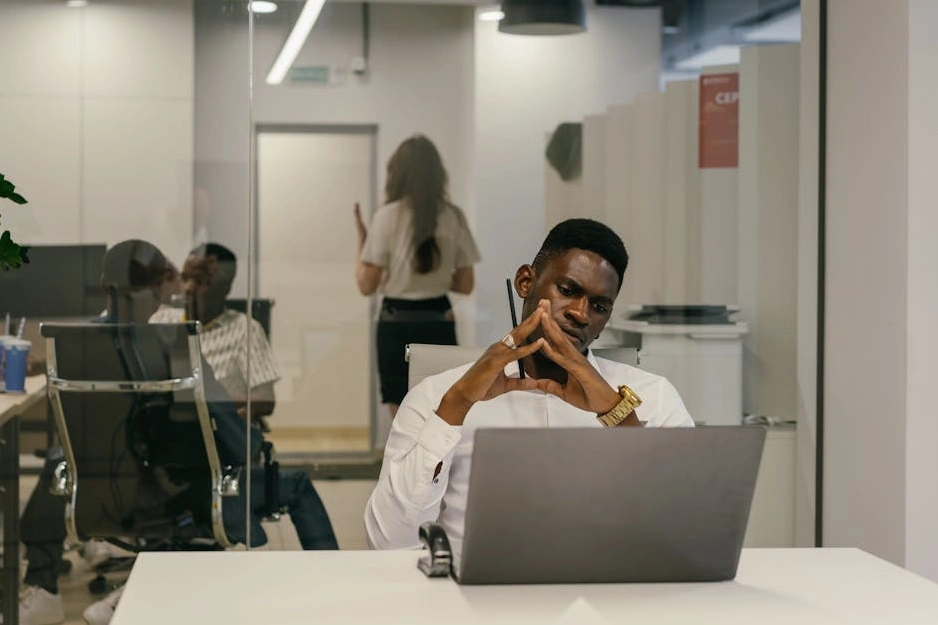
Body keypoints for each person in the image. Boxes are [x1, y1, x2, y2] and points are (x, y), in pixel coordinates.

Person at [10, 240, 336, 625]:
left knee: (56, 462)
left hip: (106, 495)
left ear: (104, 285)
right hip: (187, 492)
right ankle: (335, 593)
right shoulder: (177, 347)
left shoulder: (77, 349)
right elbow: (240, 442)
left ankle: (46, 585)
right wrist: (244, 439)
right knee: (291, 484)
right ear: (161, 288)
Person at [364, 219, 694, 558]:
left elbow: (689, 532)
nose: (581, 314)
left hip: (606, 594)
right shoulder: (439, 396)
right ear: (526, 281)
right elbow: (388, 542)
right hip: (475, 599)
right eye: (567, 290)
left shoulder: (652, 396)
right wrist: (457, 406)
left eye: (599, 306)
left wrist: (617, 414)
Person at [354, 134, 481, 418]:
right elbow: (465, 283)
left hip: (395, 320)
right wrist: (433, 279)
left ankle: (404, 463)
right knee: (441, 406)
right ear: (439, 175)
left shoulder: (386, 217)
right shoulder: (454, 216)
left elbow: (366, 285)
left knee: (402, 412)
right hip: (439, 317)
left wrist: (362, 241)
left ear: (396, 174)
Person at [151, 243, 279, 430]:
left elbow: (265, 399)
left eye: (201, 281)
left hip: (218, 429)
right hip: (164, 430)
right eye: (185, 278)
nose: (187, 288)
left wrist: (212, 407)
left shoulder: (245, 329)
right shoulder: (160, 320)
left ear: (225, 289)